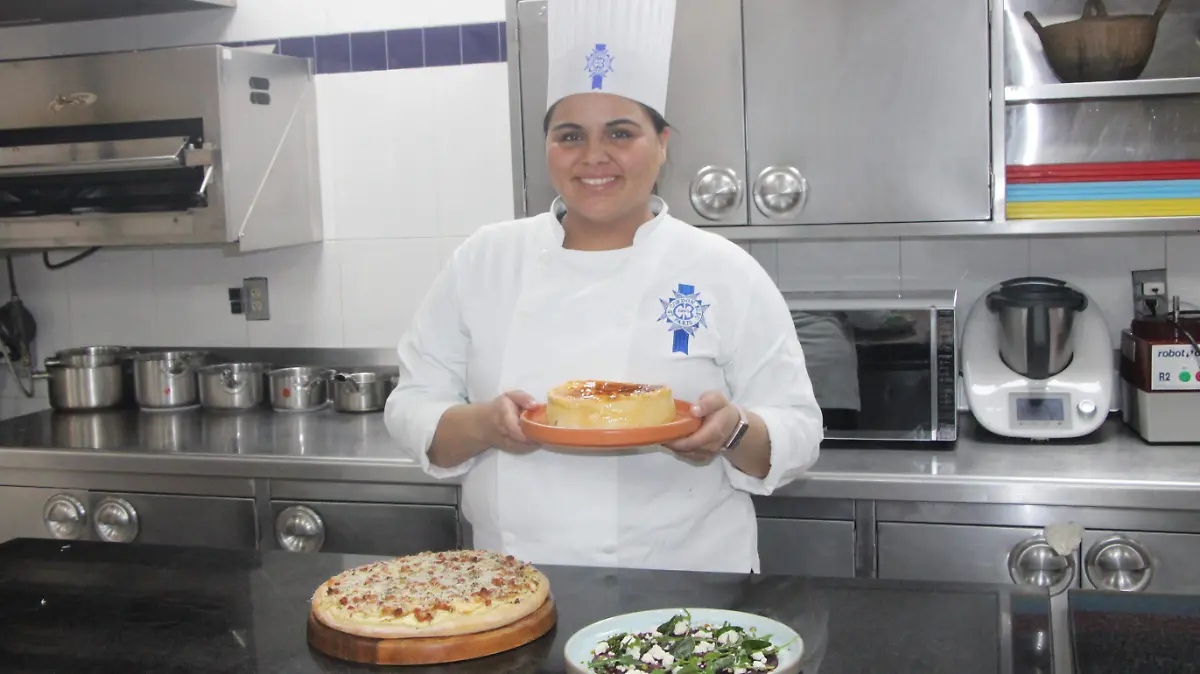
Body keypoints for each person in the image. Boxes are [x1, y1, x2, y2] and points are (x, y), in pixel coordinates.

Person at [384, 0, 823, 574]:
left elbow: (799, 432)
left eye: (621, 132)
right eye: (570, 136)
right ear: (547, 148)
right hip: (516, 584)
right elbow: (411, 405)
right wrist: (485, 424)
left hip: (686, 588)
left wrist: (731, 431)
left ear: (662, 143)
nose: (595, 157)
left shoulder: (723, 270)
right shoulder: (485, 259)